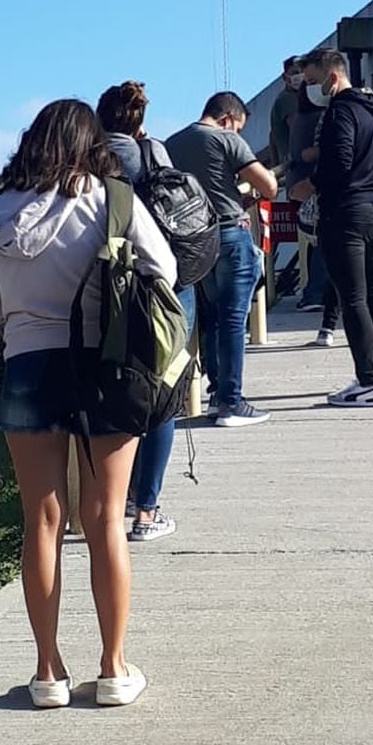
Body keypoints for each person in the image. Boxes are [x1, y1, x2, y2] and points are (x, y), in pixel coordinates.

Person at [0, 99, 176, 709]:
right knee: (105, 516)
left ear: (31, 142)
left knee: (42, 518)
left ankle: (47, 673)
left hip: (29, 365)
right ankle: (113, 669)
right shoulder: (112, 200)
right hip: (105, 365)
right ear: (94, 143)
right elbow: (163, 268)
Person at [97, 81, 192, 543]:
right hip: (159, 288)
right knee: (163, 397)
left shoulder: (87, 161)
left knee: (111, 394)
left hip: (105, 293)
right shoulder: (153, 152)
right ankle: (147, 510)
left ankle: (119, 498)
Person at [302, 49, 373, 407]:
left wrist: (311, 184)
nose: (310, 90)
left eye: (313, 81)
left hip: (347, 211)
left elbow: (339, 161)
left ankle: (366, 381)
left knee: (353, 298)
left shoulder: (340, 111)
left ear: (333, 77)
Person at [167, 92, 278, 427]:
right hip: (230, 234)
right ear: (228, 118)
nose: (238, 133)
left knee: (211, 319)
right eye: (239, 127)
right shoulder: (225, 139)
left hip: (193, 243)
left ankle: (216, 394)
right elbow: (269, 186)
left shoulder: (173, 144)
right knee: (233, 319)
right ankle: (232, 402)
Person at [287, 78, 340, 341]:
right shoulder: (322, 118)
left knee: (317, 244)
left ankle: (316, 299)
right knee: (326, 248)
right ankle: (315, 293)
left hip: (304, 187)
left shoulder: (299, 118)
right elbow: (320, 154)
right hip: (317, 189)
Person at [269, 57, 303, 170]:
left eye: (303, 71)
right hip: (297, 165)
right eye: (295, 73)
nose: (300, 76)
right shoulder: (288, 99)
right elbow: (298, 129)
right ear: (285, 77)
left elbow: (272, 138)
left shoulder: (301, 98)